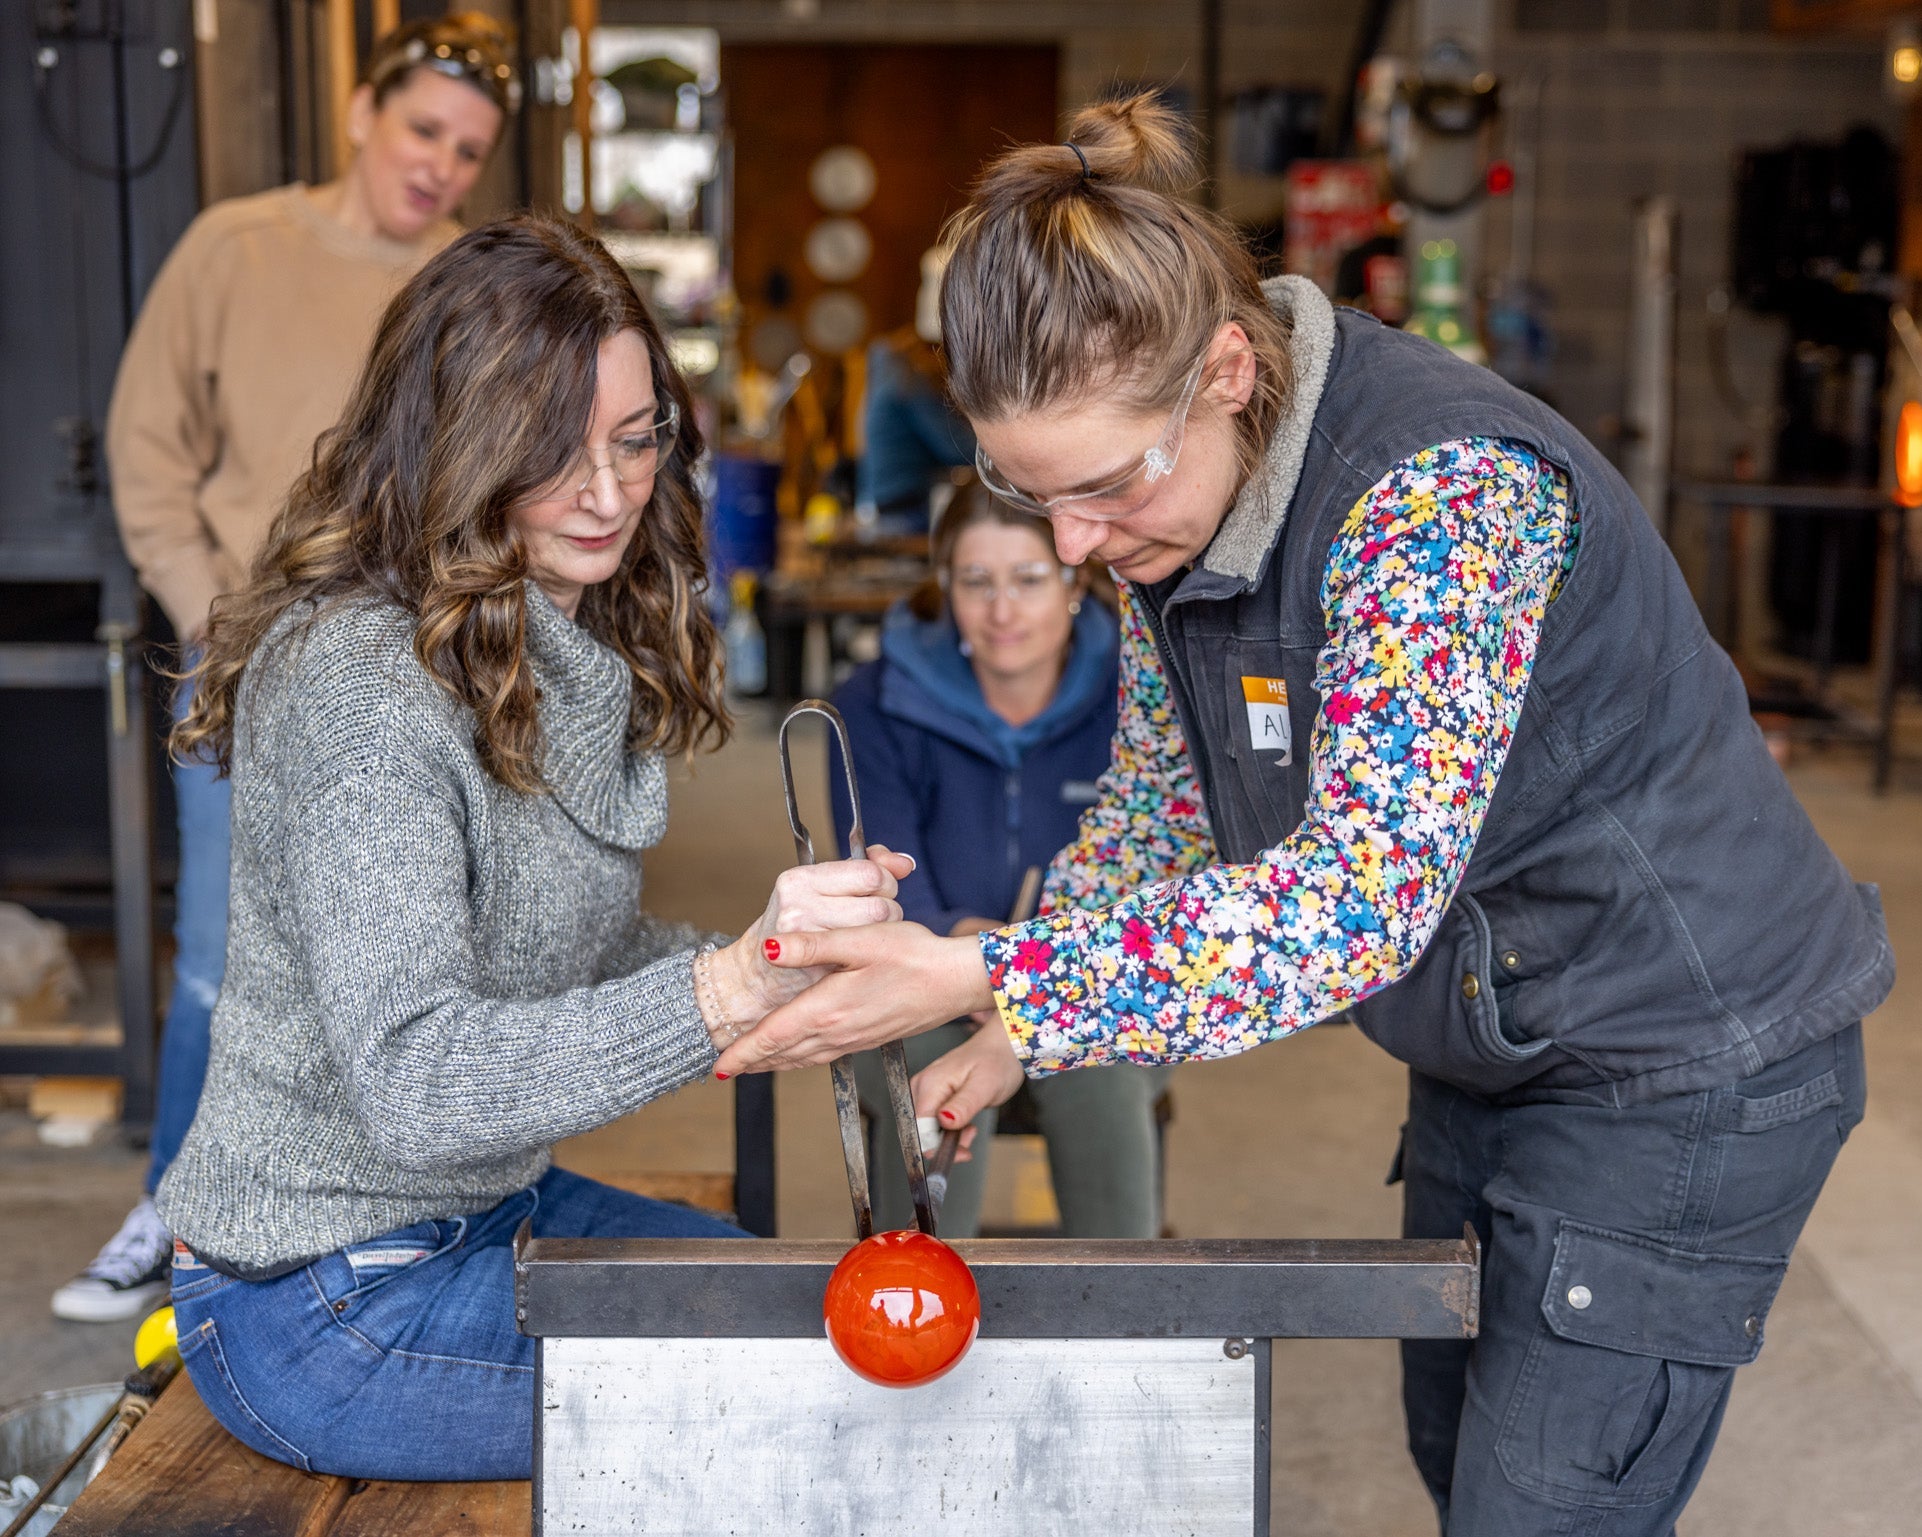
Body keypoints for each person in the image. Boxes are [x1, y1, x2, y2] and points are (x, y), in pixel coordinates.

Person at [717, 96, 1894, 1535]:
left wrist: (981, 970)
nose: (1073, 546)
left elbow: (1348, 905)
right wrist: (1017, 1024)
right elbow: (1158, 811)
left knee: (1541, 1507)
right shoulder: (1179, 511)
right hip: (1499, 1026)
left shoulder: (1435, 499)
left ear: (1223, 370)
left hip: (1678, 1050)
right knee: (1456, 1450)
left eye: (1101, 488)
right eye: (1023, 495)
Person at [150, 214, 913, 1481]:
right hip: (323, 1299)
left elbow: (568, 943)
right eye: (553, 454)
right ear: (457, 443)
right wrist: (723, 992)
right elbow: (415, 1079)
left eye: (632, 442)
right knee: (797, 1389)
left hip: (481, 1216)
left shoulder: (535, 634)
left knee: (821, 1314)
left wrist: (797, 965)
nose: (609, 495)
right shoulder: (364, 687)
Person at [64, 14, 519, 1323]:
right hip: (246, 663)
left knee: (404, 948)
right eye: (424, 130)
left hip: (411, 678)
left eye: (469, 150)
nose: (440, 164)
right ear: (363, 111)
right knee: (222, 948)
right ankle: (180, 1207)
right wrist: (221, 622)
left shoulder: (469, 283)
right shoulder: (234, 246)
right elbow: (148, 448)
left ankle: (363, 1218)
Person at [829, 484, 1166, 1238]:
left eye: (1028, 578)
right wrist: (975, 950)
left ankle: (1126, 1321)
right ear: (943, 584)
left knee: (1101, 1070)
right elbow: (875, 883)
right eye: (976, 582)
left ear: (1077, 580)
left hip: (1089, 969)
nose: (1002, 610)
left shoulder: (1139, 694)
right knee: (924, 1077)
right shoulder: (874, 704)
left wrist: (1034, 968)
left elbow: (1163, 874)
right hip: (926, 970)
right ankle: (906, 1317)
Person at [855, 248, 974, 531]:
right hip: (903, 513)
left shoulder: (892, 366)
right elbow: (958, 447)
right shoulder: (910, 378)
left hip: (884, 506)